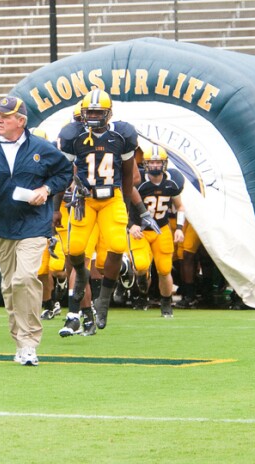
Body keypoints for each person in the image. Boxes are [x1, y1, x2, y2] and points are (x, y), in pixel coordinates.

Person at [0, 96, 72, 366]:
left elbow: (64, 172)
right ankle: (19, 340)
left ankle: (30, 342)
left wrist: (46, 190)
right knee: (9, 285)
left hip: (33, 223)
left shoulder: (41, 147)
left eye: (6, 116)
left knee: (24, 278)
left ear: (21, 121)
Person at [57, 89, 148, 333]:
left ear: (109, 114)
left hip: (112, 198)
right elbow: (63, 174)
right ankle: (80, 277)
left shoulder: (122, 134)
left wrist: (128, 208)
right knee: (74, 250)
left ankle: (104, 300)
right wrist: (55, 208)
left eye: (98, 112)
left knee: (118, 246)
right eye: (90, 112)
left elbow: (129, 175)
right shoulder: (73, 135)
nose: (94, 116)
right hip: (85, 201)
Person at [130, 145, 185, 318]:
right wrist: (131, 225)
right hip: (141, 230)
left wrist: (180, 228)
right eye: (151, 162)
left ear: (164, 163)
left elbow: (180, 206)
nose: (154, 166)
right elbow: (124, 205)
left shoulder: (172, 182)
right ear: (145, 164)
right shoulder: (139, 182)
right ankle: (141, 281)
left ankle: (166, 305)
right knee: (140, 266)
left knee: (164, 269)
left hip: (161, 228)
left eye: (158, 162)